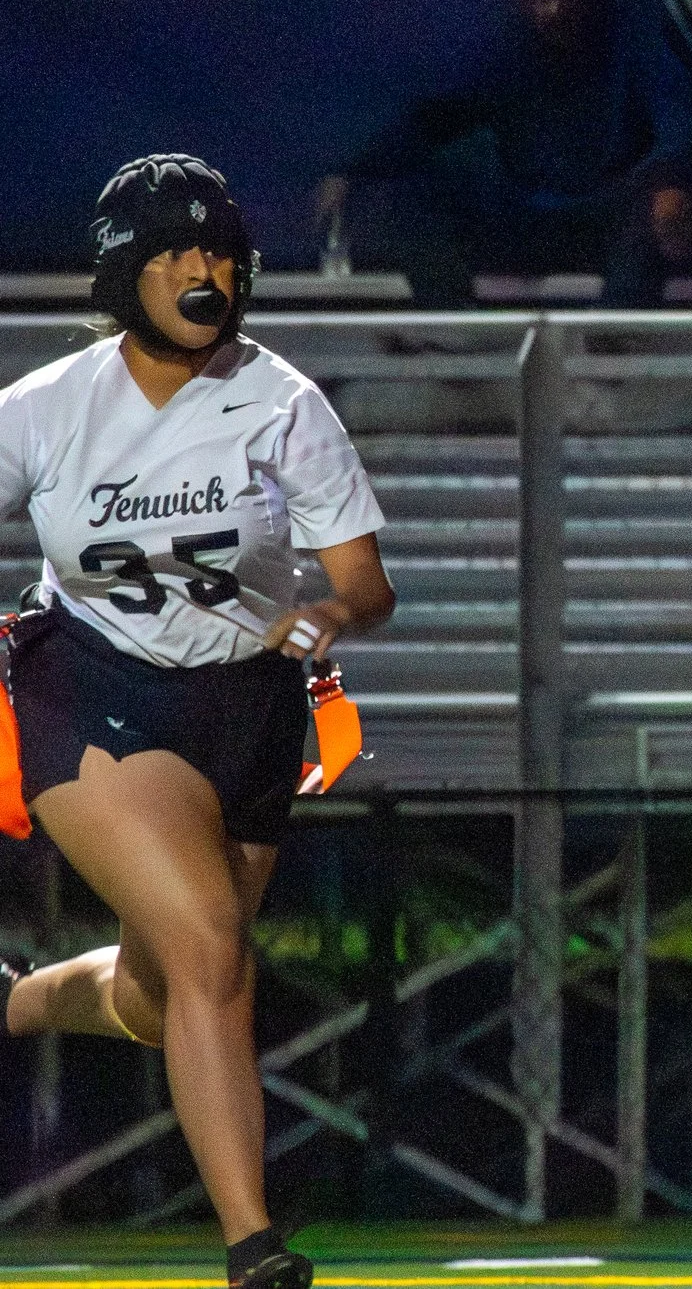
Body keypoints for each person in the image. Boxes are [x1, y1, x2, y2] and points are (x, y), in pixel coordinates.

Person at [0, 156, 396, 1289]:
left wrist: (327, 613)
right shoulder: (46, 408)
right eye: (176, 251)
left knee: (167, 987)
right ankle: (252, 1244)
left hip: (250, 709)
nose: (202, 270)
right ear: (125, 270)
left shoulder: (282, 402)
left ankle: (21, 998)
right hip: (92, 685)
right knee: (215, 940)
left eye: (219, 250)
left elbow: (369, 586)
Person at [318, 0, 692, 307]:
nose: (552, 11)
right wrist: (352, 171)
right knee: (410, 197)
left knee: (655, 210)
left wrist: (670, 181)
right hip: (523, 219)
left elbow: (678, 123)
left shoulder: (632, 45)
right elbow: (433, 120)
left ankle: (608, 346)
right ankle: (458, 334)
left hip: (601, 218)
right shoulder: (510, 52)